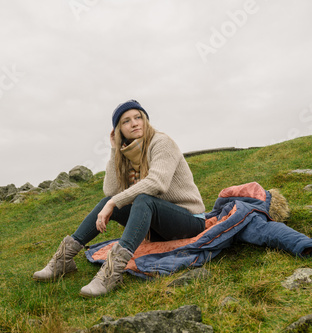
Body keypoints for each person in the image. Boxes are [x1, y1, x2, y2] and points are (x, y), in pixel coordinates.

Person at [33, 99, 206, 297]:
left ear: (145, 120)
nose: (134, 123)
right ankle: (64, 259)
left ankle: (113, 272)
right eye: (126, 121)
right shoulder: (126, 152)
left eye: (138, 117)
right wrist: (115, 150)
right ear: (118, 130)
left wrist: (114, 202)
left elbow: (158, 183)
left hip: (189, 221)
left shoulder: (161, 143)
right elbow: (111, 190)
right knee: (107, 202)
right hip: (158, 227)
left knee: (142, 199)